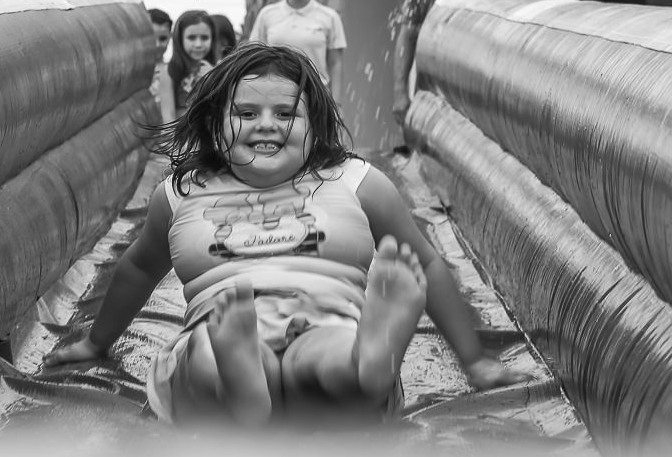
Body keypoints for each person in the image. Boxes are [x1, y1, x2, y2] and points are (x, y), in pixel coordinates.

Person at [44, 42, 530, 426]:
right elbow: (138, 269)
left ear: (313, 125)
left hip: (328, 324)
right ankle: (243, 378)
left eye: (285, 114)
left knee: (328, 354)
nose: (266, 126)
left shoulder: (354, 181)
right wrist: (95, 342)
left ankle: (367, 363)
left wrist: (474, 360)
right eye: (246, 114)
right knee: (206, 354)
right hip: (224, 327)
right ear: (214, 124)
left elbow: (424, 264)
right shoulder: (181, 194)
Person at [249, 0, 346, 93]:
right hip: (275, 94)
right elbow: (255, 58)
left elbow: (335, 63)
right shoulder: (266, 14)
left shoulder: (330, 17)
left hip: (316, 95)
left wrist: (336, 102)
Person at [168, 10, 218, 114]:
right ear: (179, 39)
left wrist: (213, 79)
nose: (198, 44)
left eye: (204, 38)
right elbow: (168, 116)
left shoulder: (219, 70)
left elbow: (223, 109)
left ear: (212, 39)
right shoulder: (170, 71)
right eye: (191, 38)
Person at [147, 7, 175, 123]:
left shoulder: (174, 71)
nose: (157, 44)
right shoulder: (127, 73)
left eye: (163, 38)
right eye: (151, 39)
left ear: (170, 37)